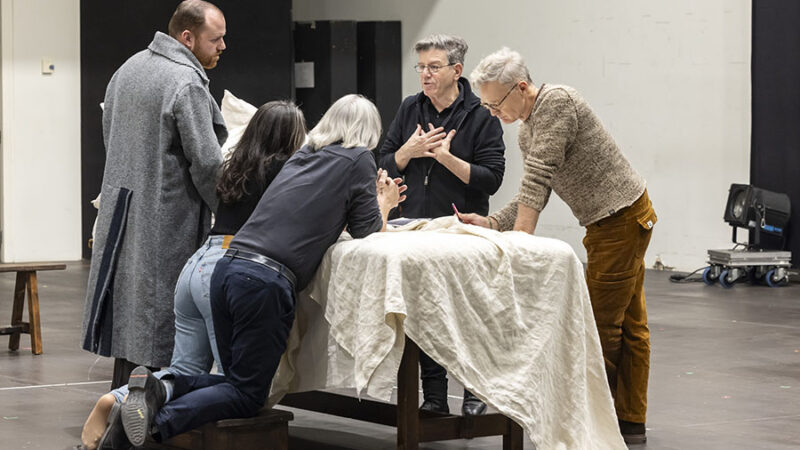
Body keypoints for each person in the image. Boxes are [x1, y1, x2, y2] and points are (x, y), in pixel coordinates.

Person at [111, 95, 406, 447]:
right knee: (248, 395)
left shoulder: (303, 155)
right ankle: (154, 426)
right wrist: (384, 204)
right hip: (265, 281)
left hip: (227, 267)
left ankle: (159, 387)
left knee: (233, 380)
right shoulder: (359, 158)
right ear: (369, 131)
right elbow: (366, 231)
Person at [79, 101, 306, 450]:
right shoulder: (287, 171)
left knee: (184, 369)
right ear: (293, 136)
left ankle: (121, 398)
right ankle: (147, 421)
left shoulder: (235, 165)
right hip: (231, 267)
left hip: (198, 263)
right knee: (232, 384)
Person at [462, 47, 657, 444]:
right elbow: (533, 189)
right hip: (610, 222)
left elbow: (538, 178)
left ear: (521, 87)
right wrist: (493, 223)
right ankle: (629, 422)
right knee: (631, 327)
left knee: (602, 328)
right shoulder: (527, 126)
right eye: (486, 105)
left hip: (621, 219)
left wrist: (518, 243)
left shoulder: (556, 104)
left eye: (495, 103)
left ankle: (596, 422)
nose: (493, 112)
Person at [81, 0, 228, 390]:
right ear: (187, 37)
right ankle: (156, 404)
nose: (223, 47)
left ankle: (124, 395)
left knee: (130, 308)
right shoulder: (186, 82)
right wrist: (231, 213)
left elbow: (109, 137)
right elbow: (208, 164)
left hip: (123, 209)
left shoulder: (127, 69)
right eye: (215, 39)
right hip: (167, 215)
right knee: (162, 313)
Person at [378, 34, 505, 416]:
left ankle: (474, 391)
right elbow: (383, 160)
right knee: (424, 312)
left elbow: (491, 178)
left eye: (434, 67)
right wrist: (408, 152)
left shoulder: (481, 114)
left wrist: (446, 158)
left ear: (456, 71)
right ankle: (433, 394)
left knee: (467, 312)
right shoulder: (409, 108)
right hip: (413, 226)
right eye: (420, 67)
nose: (425, 75)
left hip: (461, 228)